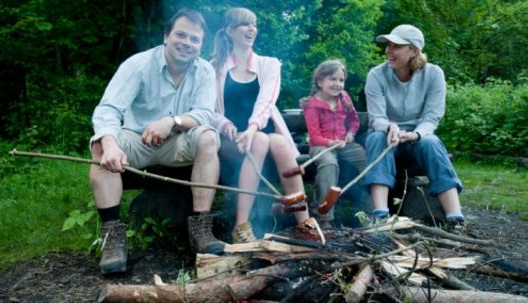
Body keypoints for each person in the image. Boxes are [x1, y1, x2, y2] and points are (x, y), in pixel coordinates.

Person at [89, 9, 225, 274]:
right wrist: (111, 144)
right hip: (135, 142)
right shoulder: (137, 65)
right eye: (181, 35)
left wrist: (172, 121)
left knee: (208, 137)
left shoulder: (205, 71)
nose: (187, 43)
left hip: (177, 143)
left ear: (200, 45)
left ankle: (201, 230)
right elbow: (108, 110)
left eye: (194, 39)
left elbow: (205, 114)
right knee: (100, 144)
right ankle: (112, 239)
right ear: (166, 36)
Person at [211, 7, 314, 243]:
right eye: (244, 25)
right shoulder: (215, 67)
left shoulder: (269, 64)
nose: (251, 29)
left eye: (254, 25)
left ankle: (304, 222)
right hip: (231, 139)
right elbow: (211, 111)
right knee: (259, 140)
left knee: (279, 144)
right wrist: (228, 127)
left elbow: (266, 101)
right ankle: (241, 226)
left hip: (259, 130)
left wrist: (253, 128)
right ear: (229, 31)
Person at [363, 24, 465, 227]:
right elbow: (376, 117)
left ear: (413, 51)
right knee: (375, 137)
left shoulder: (434, 74)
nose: (388, 51)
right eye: (388, 45)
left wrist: (416, 134)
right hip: (387, 137)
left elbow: (432, 117)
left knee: (431, 143)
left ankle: (455, 217)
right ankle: (380, 215)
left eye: (396, 46)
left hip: (417, 139)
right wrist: (389, 127)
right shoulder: (376, 74)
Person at [303, 59, 370, 228]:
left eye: (341, 80)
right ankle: (325, 217)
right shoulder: (313, 105)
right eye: (332, 79)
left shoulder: (344, 98)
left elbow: (354, 121)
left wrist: (350, 133)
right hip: (321, 145)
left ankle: (368, 209)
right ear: (320, 81)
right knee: (329, 164)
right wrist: (331, 142)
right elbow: (315, 136)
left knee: (364, 158)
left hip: (342, 143)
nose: (337, 84)